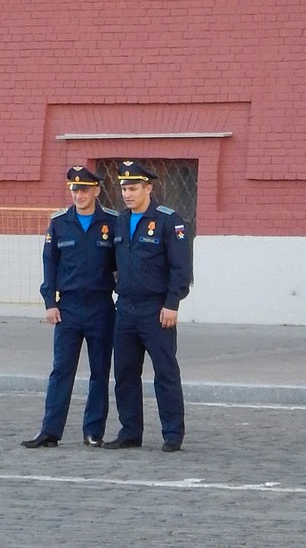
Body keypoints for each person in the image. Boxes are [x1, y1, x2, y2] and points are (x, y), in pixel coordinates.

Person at [21, 165, 118, 448]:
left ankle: (93, 431)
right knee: (62, 370)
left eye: (85, 189)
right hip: (69, 308)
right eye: (75, 190)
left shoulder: (112, 223)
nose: (79, 195)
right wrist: (50, 302)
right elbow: (49, 263)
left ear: (97, 191)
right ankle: (50, 430)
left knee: (100, 371)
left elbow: (123, 263)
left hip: (101, 308)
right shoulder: (60, 222)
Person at [103, 161, 192, 453]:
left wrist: (172, 303)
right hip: (125, 308)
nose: (127, 194)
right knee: (125, 373)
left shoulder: (169, 220)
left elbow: (181, 267)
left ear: (148, 188)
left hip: (156, 310)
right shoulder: (119, 221)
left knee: (165, 372)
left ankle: (173, 433)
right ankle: (130, 431)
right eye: (124, 188)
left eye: (133, 188)